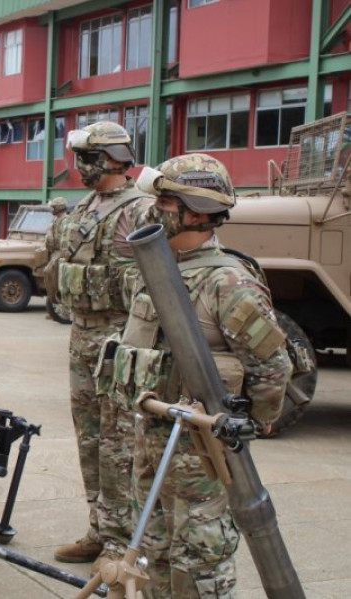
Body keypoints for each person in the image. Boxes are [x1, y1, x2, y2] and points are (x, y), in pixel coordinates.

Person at [112, 154, 292, 597]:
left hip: (201, 453)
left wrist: (247, 421)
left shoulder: (226, 282)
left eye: (166, 203)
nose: (155, 210)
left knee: (198, 563)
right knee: (154, 553)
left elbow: (273, 366)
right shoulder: (157, 269)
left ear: (194, 212)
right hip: (153, 440)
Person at [54, 121, 158, 565]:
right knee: (90, 438)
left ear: (113, 159)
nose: (79, 165)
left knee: (119, 442)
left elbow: (158, 281)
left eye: (87, 157)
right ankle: (98, 528)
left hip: (120, 339)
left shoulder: (142, 210)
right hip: (82, 335)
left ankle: (121, 541)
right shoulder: (84, 207)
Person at [43, 197, 68, 320]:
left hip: (61, 253)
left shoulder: (66, 221)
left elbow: (66, 240)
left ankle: (61, 309)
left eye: (53, 207)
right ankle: (54, 307)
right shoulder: (55, 220)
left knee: (54, 276)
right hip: (54, 252)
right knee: (51, 277)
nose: (51, 209)